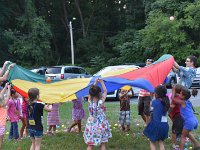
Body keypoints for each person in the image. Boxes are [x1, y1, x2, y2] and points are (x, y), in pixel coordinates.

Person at [83, 78, 112, 150]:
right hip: (101, 124)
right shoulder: (101, 101)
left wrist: (95, 82)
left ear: (91, 93)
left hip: (91, 124)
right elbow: (105, 91)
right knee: (103, 143)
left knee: (90, 145)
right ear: (99, 93)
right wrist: (102, 82)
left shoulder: (90, 100)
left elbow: (90, 92)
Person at [172, 86, 200, 150]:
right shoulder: (188, 101)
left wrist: (173, 91)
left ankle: (181, 148)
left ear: (183, 96)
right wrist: (178, 93)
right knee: (186, 133)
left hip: (189, 121)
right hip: (194, 120)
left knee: (183, 136)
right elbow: (181, 96)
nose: (179, 94)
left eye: (180, 93)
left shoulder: (182, 102)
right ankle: (197, 144)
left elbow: (173, 99)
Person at [143, 85, 170, 150]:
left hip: (155, 125)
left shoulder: (155, 102)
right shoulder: (166, 102)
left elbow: (151, 112)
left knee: (152, 142)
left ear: (157, 94)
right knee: (161, 142)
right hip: (164, 126)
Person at [167, 84, 184, 149]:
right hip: (179, 116)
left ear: (174, 91)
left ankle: (174, 144)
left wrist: (168, 111)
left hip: (177, 116)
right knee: (179, 128)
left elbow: (172, 107)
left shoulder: (175, 99)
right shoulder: (179, 97)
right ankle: (179, 138)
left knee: (174, 130)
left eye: (172, 90)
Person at [138, 59, 154, 125]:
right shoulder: (143, 70)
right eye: (147, 63)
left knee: (147, 111)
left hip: (148, 94)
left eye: (149, 63)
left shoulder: (153, 72)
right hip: (141, 94)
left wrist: (152, 96)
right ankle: (148, 123)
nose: (148, 64)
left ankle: (147, 125)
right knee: (140, 111)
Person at [0, 83, 11, 150]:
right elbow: (7, 96)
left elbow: (1, 95)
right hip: (1, 126)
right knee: (0, 141)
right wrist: (8, 88)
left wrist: (5, 87)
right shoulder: (4, 105)